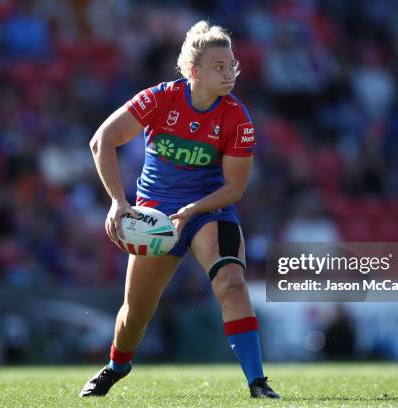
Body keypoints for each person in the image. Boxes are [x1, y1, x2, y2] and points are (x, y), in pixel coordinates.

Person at [80, 21, 280, 399]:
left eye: (232, 64)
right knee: (135, 314)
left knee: (232, 283)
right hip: (155, 217)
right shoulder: (160, 99)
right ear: (194, 71)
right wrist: (119, 203)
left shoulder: (238, 117)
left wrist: (191, 210)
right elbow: (102, 140)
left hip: (208, 211)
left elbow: (234, 188)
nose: (229, 72)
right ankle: (116, 367)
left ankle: (258, 382)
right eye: (219, 66)